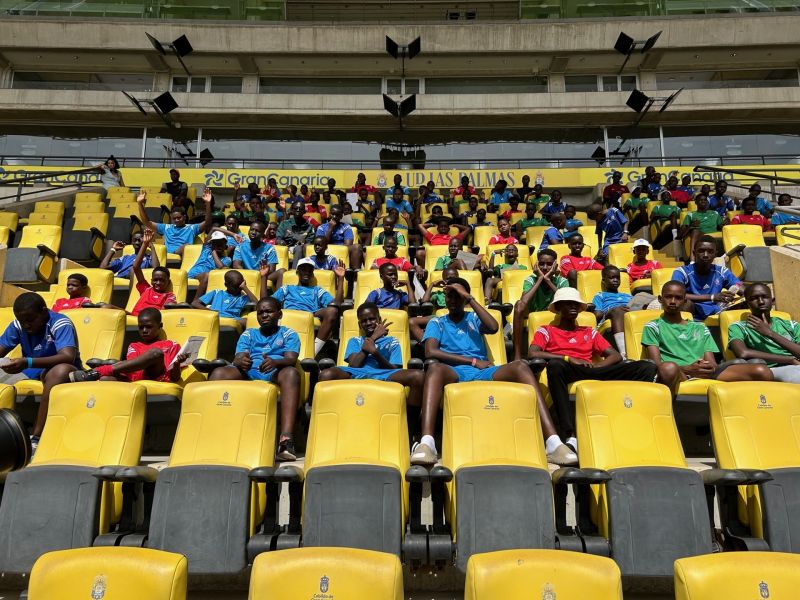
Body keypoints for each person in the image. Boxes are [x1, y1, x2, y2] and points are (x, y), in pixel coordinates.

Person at [415, 277, 573, 466]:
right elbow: (430, 351)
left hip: (483, 371)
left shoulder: (473, 317)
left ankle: (553, 443)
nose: (452, 300)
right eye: (449, 296)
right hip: (454, 371)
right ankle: (427, 443)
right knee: (434, 368)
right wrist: (472, 361)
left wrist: (470, 298)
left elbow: (493, 326)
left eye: (457, 296)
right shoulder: (437, 322)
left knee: (521, 366)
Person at [528, 287, 656, 459]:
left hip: (593, 370)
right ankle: (570, 435)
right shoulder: (547, 330)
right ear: (558, 308)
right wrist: (567, 358)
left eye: (576, 304)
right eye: (568, 304)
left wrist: (598, 366)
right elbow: (533, 353)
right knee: (556, 366)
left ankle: (637, 427)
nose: (573, 307)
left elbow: (615, 355)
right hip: (568, 369)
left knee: (646, 367)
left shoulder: (589, 332)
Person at [208, 297, 302, 461]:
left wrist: (275, 361)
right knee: (218, 373)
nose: (264, 315)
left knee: (291, 373)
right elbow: (240, 355)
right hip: (249, 370)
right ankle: (214, 433)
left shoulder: (289, 333)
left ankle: (286, 441)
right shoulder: (249, 333)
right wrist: (239, 360)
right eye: (260, 313)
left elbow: (291, 358)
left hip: (276, 370)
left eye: (269, 311)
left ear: (279, 314)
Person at [642, 280, 773, 396]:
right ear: (660, 299)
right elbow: (657, 365)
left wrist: (707, 367)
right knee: (668, 368)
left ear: (685, 300)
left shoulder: (700, 328)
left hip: (703, 373)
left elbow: (712, 363)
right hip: (678, 373)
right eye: (668, 297)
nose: (672, 301)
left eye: (678, 298)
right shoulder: (653, 326)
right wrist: (687, 369)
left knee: (762, 371)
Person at [0, 293, 81, 446]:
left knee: (59, 371)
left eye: (30, 320)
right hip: (30, 370)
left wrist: (28, 362)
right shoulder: (18, 325)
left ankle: (36, 437)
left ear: (43, 311)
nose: (26, 325)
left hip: (57, 369)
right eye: (21, 321)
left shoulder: (60, 322)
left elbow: (68, 356)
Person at [319, 303, 424, 409]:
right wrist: (373, 338)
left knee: (418, 376)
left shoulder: (392, 341)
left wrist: (375, 353)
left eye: (372, 319)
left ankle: (410, 422)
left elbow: (395, 369)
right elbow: (354, 365)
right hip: (357, 372)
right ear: (360, 325)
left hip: (384, 373)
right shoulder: (355, 341)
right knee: (326, 374)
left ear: (379, 319)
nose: (368, 323)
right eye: (364, 321)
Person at [70, 307, 187, 384]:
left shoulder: (171, 344)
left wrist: (177, 365)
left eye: (149, 327)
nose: (144, 330)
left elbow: (175, 378)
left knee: (155, 353)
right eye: (141, 327)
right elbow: (131, 368)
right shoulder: (134, 346)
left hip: (159, 378)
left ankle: (98, 371)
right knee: (105, 380)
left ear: (160, 326)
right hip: (134, 380)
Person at [728, 283, 800, 383]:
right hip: (770, 370)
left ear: (772, 300)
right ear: (747, 303)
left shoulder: (791, 325)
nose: (761, 302)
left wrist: (770, 333)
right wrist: (789, 359)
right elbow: (743, 353)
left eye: (765, 297)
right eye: (754, 298)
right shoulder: (738, 327)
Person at [272, 261, 344, 356]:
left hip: (310, 314)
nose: (307, 272)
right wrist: (263, 277)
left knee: (333, 310)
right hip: (289, 314)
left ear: (312, 274)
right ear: (297, 272)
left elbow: (337, 303)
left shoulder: (317, 290)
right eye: (303, 270)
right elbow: (270, 302)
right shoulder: (287, 288)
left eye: (310, 271)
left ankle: (312, 352)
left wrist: (341, 279)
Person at [512, 248, 569, 361]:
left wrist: (547, 280)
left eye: (549, 264)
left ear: (555, 265)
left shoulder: (562, 281)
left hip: (555, 315)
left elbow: (566, 301)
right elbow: (524, 301)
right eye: (541, 264)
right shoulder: (531, 280)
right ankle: (517, 356)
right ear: (536, 264)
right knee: (519, 304)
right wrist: (539, 279)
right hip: (533, 313)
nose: (544, 267)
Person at [671, 235, 743, 321]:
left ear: (715, 254)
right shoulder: (682, 272)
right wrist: (712, 297)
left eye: (710, 251)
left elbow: (739, 284)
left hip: (716, 309)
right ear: (694, 253)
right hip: (693, 309)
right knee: (685, 303)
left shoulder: (722, 271)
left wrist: (738, 289)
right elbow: (676, 294)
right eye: (701, 251)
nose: (705, 255)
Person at [137, 189, 213, 257]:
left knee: (187, 246)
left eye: (179, 217)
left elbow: (207, 222)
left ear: (184, 217)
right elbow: (147, 222)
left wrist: (208, 203)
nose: (176, 220)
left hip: (184, 252)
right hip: (166, 253)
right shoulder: (166, 227)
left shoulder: (192, 228)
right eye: (174, 218)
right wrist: (140, 204)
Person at [192, 269, 262, 326]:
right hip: (214, 317)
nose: (239, 288)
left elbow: (258, 305)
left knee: (248, 322)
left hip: (231, 320)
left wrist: (245, 288)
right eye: (235, 286)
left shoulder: (243, 298)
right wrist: (209, 311)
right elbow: (195, 303)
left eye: (240, 285)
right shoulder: (217, 293)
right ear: (226, 285)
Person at [131, 229, 177, 315]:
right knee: (105, 306)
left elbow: (166, 310)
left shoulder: (169, 296)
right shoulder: (146, 289)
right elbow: (136, 267)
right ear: (151, 280)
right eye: (155, 280)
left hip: (150, 320)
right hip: (133, 317)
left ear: (168, 282)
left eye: (162, 280)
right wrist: (144, 244)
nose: (158, 282)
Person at [590, 265, 632, 357]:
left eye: (617, 277)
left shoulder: (628, 296)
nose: (615, 280)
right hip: (610, 315)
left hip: (629, 313)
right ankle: (624, 353)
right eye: (612, 278)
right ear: (604, 281)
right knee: (617, 310)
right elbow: (597, 314)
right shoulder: (600, 295)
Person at [229, 219, 283, 290]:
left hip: (263, 275)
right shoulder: (240, 247)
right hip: (247, 275)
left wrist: (259, 274)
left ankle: (277, 299)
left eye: (257, 231)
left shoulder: (269, 248)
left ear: (263, 234)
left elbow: (272, 269)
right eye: (252, 230)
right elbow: (236, 265)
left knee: (282, 271)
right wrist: (251, 275)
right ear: (248, 232)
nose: (253, 232)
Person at [679, 195, 725, 261]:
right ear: (696, 202)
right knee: (695, 231)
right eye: (701, 200)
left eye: (705, 200)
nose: (703, 201)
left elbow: (721, 227)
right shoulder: (691, 215)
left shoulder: (715, 213)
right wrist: (691, 226)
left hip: (716, 238)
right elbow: (680, 235)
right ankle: (692, 261)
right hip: (700, 237)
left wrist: (725, 223)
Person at [316, 204, 362, 269]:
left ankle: (355, 274)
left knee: (357, 247)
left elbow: (348, 245)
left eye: (337, 215)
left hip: (342, 250)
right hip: (326, 250)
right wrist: (330, 228)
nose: (334, 217)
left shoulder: (346, 227)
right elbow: (321, 244)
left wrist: (336, 248)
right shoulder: (321, 228)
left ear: (341, 216)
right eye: (332, 214)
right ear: (329, 214)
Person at [187, 230, 232, 296]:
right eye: (215, 243)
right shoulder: (206, 250)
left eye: (221, 243)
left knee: (208, 275)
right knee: (207, 275)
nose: (218, 245)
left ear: (225, 246)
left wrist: (214, 252)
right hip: (194, 273)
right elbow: (213, 229)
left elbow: (221, 267)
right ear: (212, 245)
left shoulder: (227, 259)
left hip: (207, 276)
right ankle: (196, 301)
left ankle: (196, 301)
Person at [276, 200, 316, 266]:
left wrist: (304, 244)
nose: (298, 210)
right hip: (287, 248)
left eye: (300, 209)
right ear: (291, 210)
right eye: (295, 208)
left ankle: (295, 272)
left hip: (302, 249)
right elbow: (278, 239)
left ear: (304, 211)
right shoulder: (284, 224)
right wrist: (281, 242)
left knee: (298, 248)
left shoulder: (309, 226)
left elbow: (310, 242)